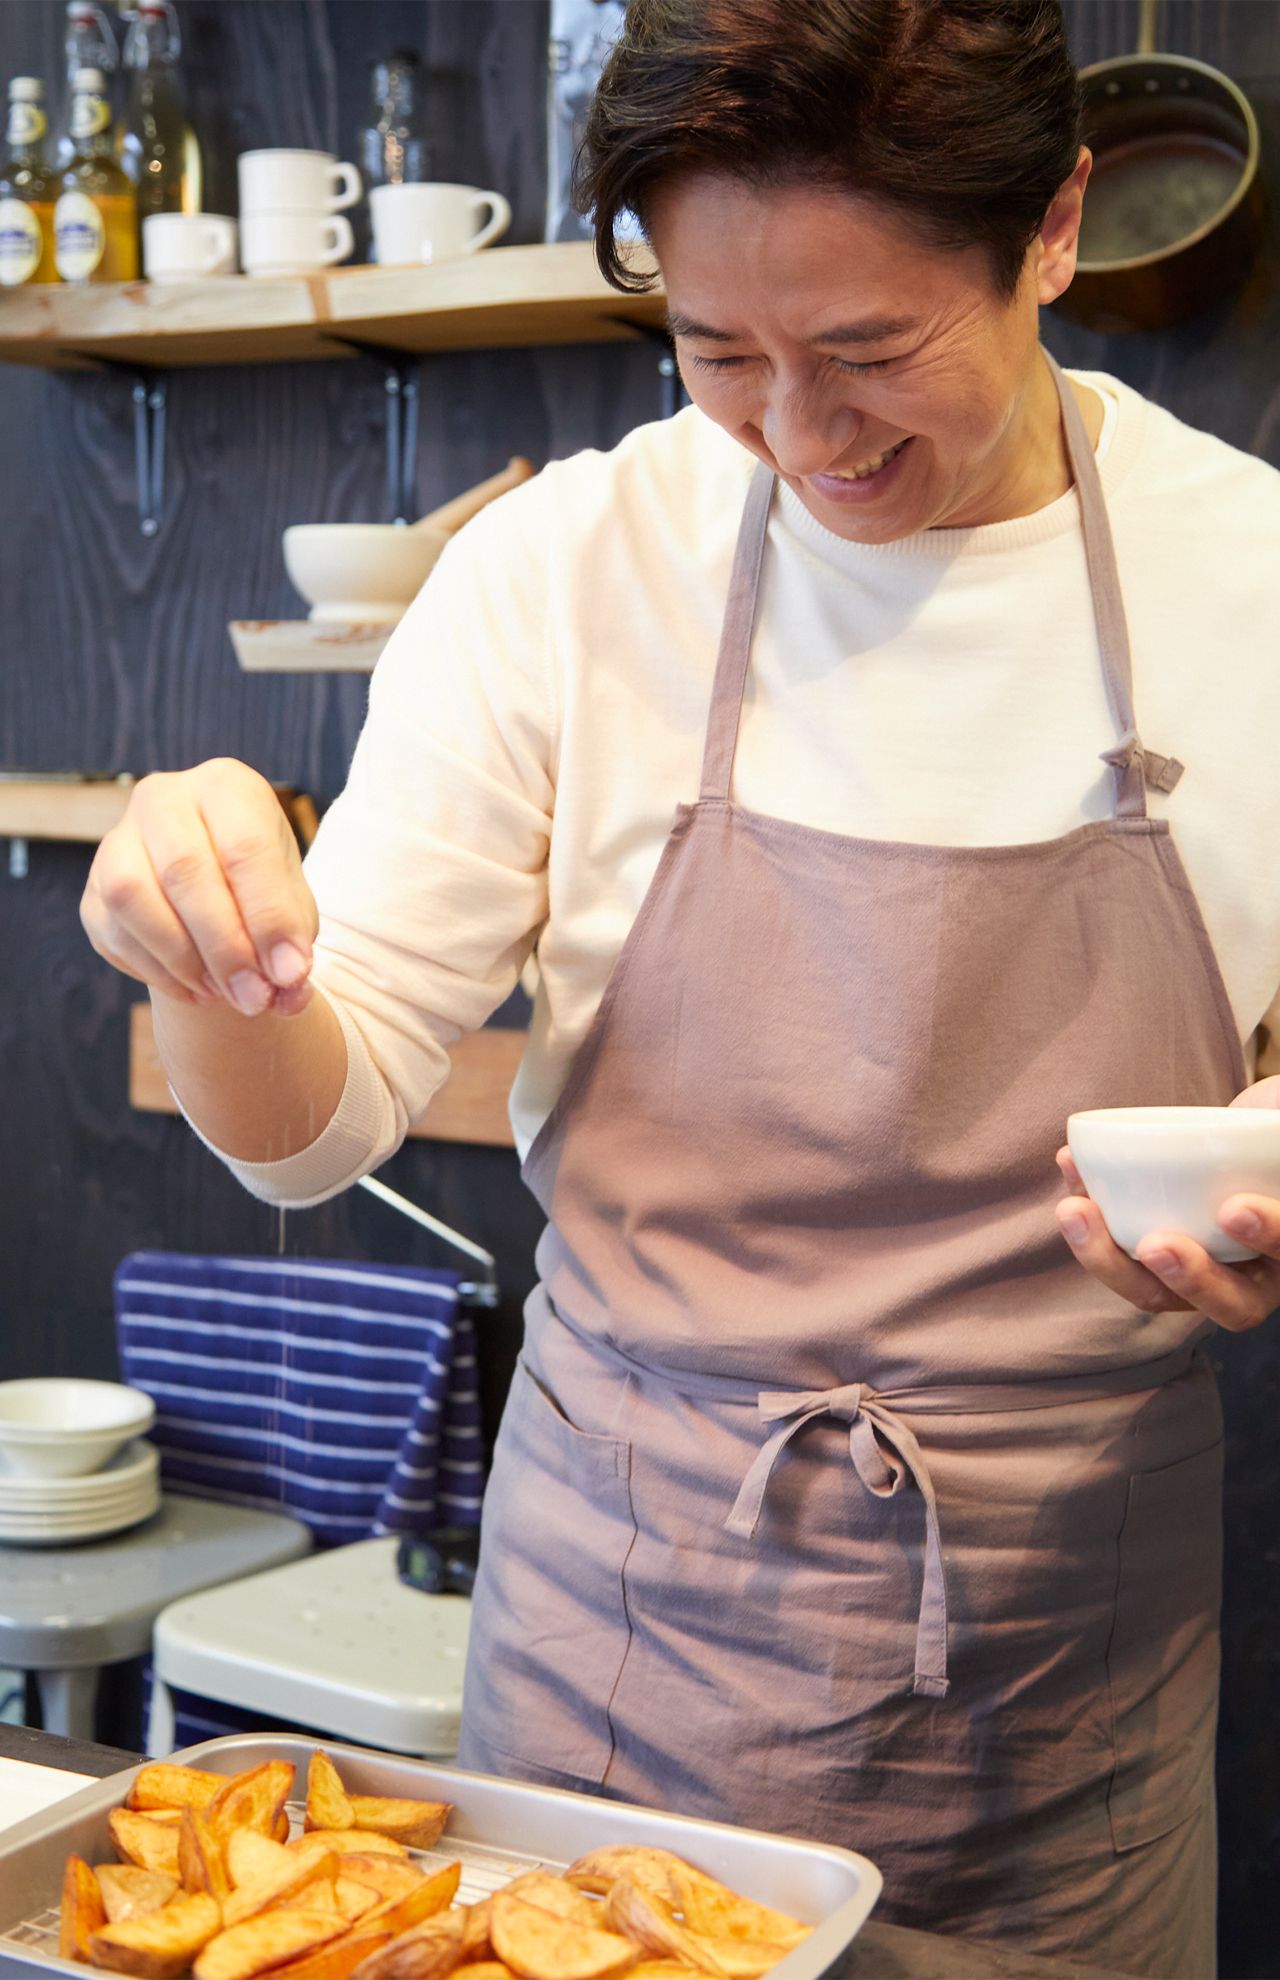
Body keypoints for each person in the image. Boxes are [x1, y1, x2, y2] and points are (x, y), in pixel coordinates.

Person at [80, 2, 1280, 1972]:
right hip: (629, 1657)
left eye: (871, 351)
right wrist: (204, 944)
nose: (803, 438)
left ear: (1050, 227)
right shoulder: (565, 573)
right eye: (718, 354)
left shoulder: (1244, 581)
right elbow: (316, 1127)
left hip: (1069, 1669)